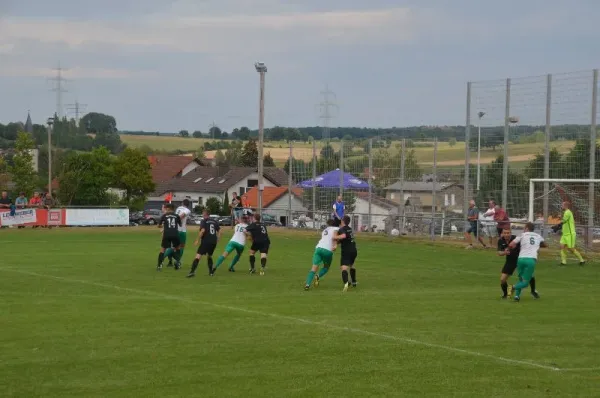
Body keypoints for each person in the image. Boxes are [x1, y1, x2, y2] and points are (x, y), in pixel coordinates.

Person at [508, 222, 547, 302]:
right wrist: (536, 245)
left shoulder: (522, 235)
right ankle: (512, 287)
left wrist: (513, 247)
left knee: (521, 279)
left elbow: (511, 244)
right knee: (525, 283)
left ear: (526, 228)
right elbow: (545, 245)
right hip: (531, 260)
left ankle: (517, 297)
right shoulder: (538, 236)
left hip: (521, 259)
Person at [497, 228, 539, 299]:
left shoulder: (517, 239)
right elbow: (499, 253)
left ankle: (533, 291)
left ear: (511, 233)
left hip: (520, 259)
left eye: (508, 233)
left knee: (530, 276)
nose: (506, 234)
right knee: (502, 279)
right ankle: (506, 294)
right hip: (510, 261)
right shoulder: (501, 240)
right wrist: (504, 252)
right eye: (505, 233)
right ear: (502, 233)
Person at [304, 219, 339, 291]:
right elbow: (334, 238)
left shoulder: (325, 230)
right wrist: (335, 245)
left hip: (318, 248)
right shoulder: (336, 228)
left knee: (313, 268)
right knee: (326, 267)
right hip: (327, 250)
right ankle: (318, 276)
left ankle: (307, 284)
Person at [187, 210, 221, 277]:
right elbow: (220, 231)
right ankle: (211, 272)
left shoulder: (204, 221)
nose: (202, 215)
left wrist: (197, 240)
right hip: (213, 242)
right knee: (209, 256)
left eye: (203, 214)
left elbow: (203, 231)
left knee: (198, 256)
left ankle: (192, 272)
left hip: (206, 241)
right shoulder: (214, 221)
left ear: (205, 214)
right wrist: (218, 239)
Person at [553, 201, 585, 266]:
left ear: (565, 206)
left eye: (562, 205)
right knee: (562, 246)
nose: (561, 206)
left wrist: (557, 226)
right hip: (565, 234)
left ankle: (582, 260)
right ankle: (563, 262)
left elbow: (563, 221)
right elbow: (564, 222)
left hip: (570, 234)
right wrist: (557, 226)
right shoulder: (566, 212)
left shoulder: (567, 212)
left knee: (571, 249)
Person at [334, 215, 358, 292]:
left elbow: (343, 236)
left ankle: (346, 284)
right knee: (352, 265)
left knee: (344, 268)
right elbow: (344, 239)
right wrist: (336, 244)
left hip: (346, 250)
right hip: (354, 250)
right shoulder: (350, 229)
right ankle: (354, 281)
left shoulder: (342, 229)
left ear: (343, 221)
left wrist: (334, 237)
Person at [166, 199, 192, 267]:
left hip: (173, 229)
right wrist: (176, 220)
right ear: (188, 204)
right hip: (181, 230)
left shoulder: (178, 208)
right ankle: (177, 261)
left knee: (172, 246)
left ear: (182, 203)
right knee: (181, 246)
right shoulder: (187, 210)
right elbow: (182, 216)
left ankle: (169, 261)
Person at [157, 204, 182, 271]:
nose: (165, 209)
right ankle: (177, 262)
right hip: (175, 234)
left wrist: (163, 226)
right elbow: (180, 224)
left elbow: (158, 225)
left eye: (166, 208)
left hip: (167, 234)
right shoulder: (177, 216)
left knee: (163, 249)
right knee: (178, 248)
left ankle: (159, 266)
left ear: (168, 208)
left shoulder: (164, 216)